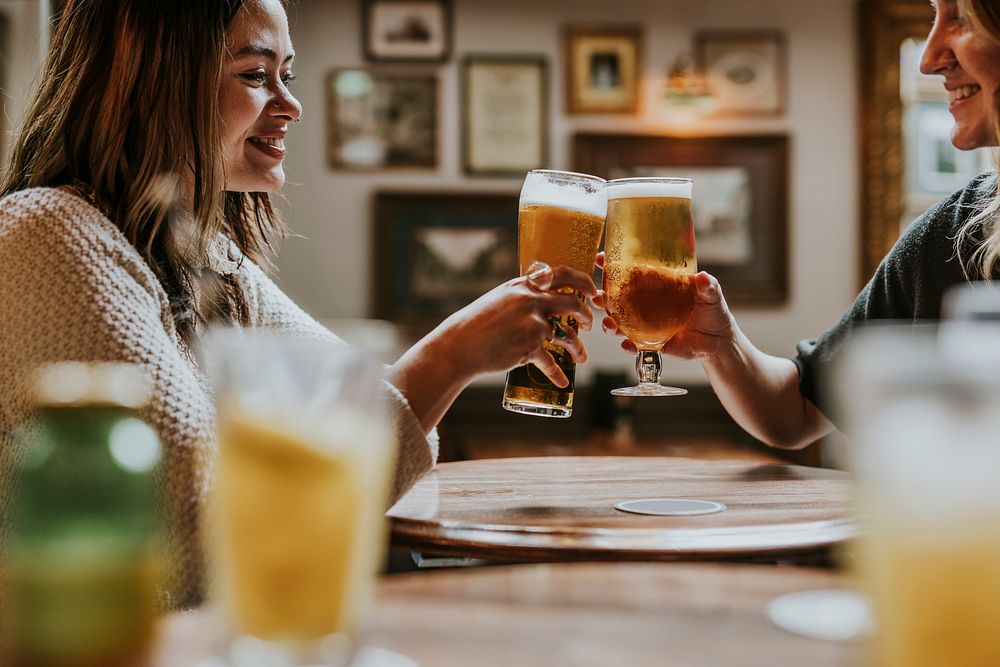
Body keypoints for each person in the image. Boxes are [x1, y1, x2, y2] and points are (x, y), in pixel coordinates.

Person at [0, 0, 594, 607]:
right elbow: (192, 549)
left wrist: (462, 349)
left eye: (288, 74)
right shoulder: (50, 233)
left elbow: (357, 420)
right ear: (152, 80)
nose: (291, 105)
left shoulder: (200, 254)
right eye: (256, 76)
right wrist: (450, 357)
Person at [599, 0, 1000, 450]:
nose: (928, 59)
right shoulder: (960, 233)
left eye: (961, 17)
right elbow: (798, 411)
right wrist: (720, 344)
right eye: (933, 17)